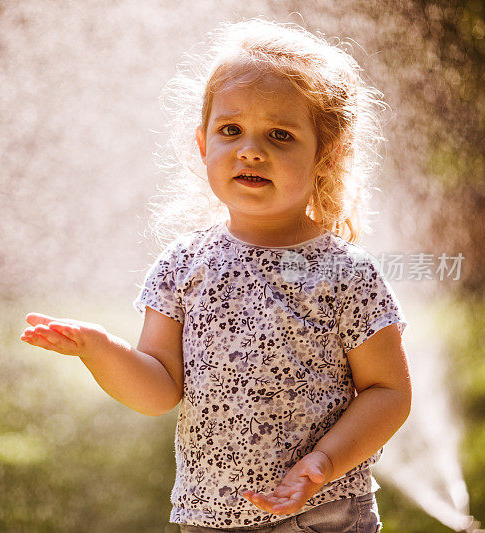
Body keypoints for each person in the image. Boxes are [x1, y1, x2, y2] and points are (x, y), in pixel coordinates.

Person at [20, 18, 411, 532]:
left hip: (325, 512)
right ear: (204, 145)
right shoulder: (183, 265)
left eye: (280, 134)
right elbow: (159, 389)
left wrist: (325, 462)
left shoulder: (344, 272)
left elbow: (388, 391)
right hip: (211, 516)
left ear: (325, 153)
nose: (251, 149)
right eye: (231, 130)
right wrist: (100, 350)